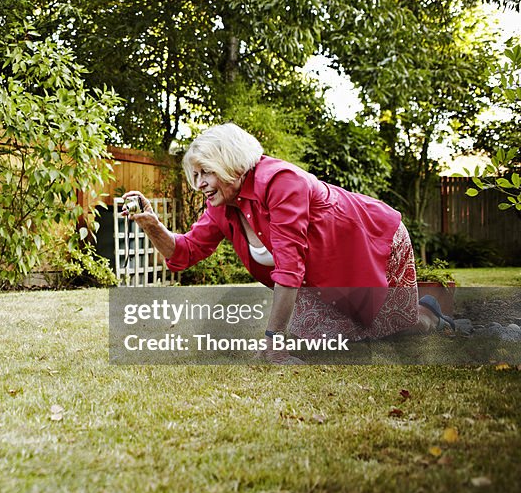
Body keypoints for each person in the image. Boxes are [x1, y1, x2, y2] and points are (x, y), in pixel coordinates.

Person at [123, 123, 452, 364]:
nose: (200, 185)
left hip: (374, 243)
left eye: (204, 172)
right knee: (332, 343)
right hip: (322, 274)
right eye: (195, 176)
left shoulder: (281, 182)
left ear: (230, 161)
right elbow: (185, 252)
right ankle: (414, 313)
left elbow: (289, 265)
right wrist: (152, 226)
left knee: (399, 329)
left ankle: (430, 314)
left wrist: (273, 340)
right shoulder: (221, 205)